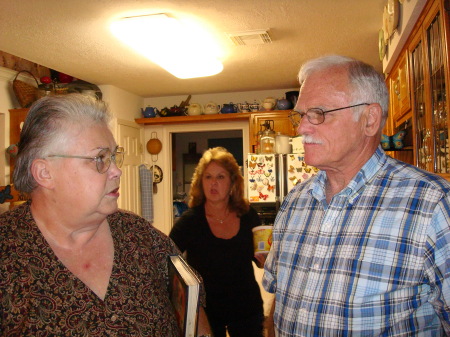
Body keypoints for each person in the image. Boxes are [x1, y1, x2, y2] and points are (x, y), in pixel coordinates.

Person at [263, 55, 450, 336]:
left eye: (319, 113)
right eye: (301, 115)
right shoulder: (295, 201)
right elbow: (279, 298)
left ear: (370, 119)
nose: (301, 128)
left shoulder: (432, 204)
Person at [0, 94, 211, 336]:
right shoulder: (7, 253)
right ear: (44, 173)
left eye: (113, 156)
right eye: (99, 158)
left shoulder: (140, 236)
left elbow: (193, 313)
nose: (117, 170)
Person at [170, 147, 265, 337]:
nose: (213, 183)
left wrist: (267, 259)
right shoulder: (190, 221)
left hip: (247, 308)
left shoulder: (248, 216)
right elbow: (168, 261)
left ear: (232, 183)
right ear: (200, 182)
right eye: (208, 177)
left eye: (220, 177)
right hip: (206, 313)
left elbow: (262, 259)